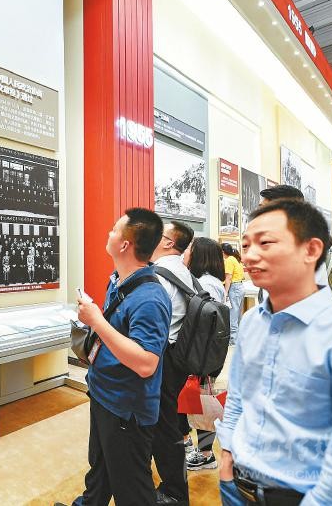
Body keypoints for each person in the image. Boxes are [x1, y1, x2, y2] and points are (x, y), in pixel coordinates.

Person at [216, 198, 332, 506]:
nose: (249, 255)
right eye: (245, 245)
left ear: (311, 250)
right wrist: (227, 457)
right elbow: (239, 396)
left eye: (265, 243)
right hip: (235, 484)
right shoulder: (251, 322)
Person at [71, 208, 171, 506]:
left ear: (126, 244)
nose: (109, 233)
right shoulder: (119, 281)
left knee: (132, 489)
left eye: (114, 230)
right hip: (104, 393)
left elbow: (146, 363)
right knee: (100, 468)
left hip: (126, 408)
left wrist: (96, 320)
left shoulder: (150, 298)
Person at [151, 220, 195, 505]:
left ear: (168, 242)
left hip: (162, 358)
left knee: (163, 426)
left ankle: (174, 492)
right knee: (165, 423)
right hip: (177, 356)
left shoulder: (159, 275)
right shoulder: (183, 272)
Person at [182, 237, 226, 471]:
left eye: (190, 249)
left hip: (203, 353)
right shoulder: (208, 281)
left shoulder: (207, 283)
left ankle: (207, 454)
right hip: (202, 351)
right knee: (194, 400)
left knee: (203, 402)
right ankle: (191, 442)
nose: (186, 252)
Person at [221, 243, 244, 344]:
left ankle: (233, 340)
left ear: (222, 252)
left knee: (233, 315)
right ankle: (238, 338)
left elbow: (228, 278)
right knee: (237, 314)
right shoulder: (235, 259)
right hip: (239, 287)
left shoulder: (229, 260)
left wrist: (225, 293)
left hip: (234, 287)